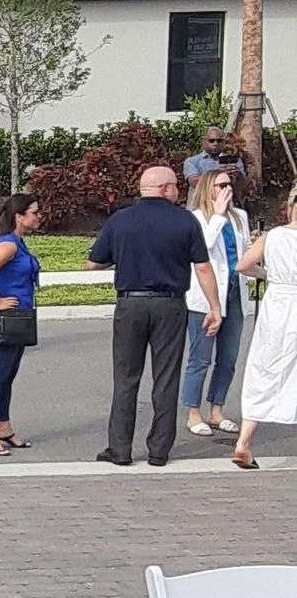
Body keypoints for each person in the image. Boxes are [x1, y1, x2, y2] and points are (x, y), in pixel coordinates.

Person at [87, 166, 221, 467]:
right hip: (169, 304)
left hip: (130, 304)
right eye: (174, 186)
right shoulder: (184, 221)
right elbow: (201, 267)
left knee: (125, 378)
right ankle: (159, 450)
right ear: (164, 189)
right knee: (166, 377)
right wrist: (214, 307)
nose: (177, 191)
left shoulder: (120, 219)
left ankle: (119, 449)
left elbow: (93, 263)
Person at [181, 168, 252, 439]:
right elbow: (203, 248)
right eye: (221, 185)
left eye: (229, 185)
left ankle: (217, 409)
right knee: (200, 357)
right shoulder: (196, 218)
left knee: (229, 358)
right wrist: (218, 216)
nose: (227, 189)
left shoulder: (240, 217)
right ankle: (193, 413)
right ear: (209, 188)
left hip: (235, 291)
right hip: (206, 297)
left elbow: (244, 251)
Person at [231, 188, 297, 470]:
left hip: (278, 303)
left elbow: (243, 265)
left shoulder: (273, 236)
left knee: (264, 365)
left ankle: (244, 441)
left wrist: (270, 274)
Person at [0, 194, 44, 456]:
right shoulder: (8, 246)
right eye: (34, 212)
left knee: (9, 374)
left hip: (19, 319)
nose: (39, 216)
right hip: (2, 319)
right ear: (19, 216)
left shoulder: (18, 243)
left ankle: (3, 426)